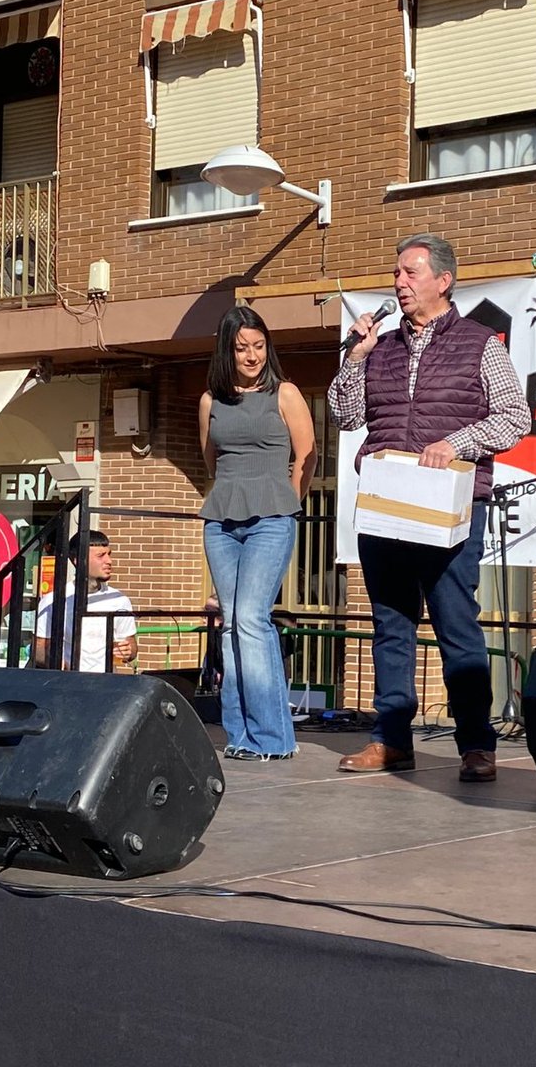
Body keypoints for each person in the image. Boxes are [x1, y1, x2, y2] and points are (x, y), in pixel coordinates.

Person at [327, 233, 531, 782]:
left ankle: (476, 744)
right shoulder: (382, 346)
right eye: (396, 273)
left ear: (443, 281)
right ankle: (391, 740)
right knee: (391, 625)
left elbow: (516, 416)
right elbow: (346, 418)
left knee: (455, 624)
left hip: (450, 505)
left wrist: (457, 443)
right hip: (388, 503)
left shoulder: (481, 342)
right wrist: (356, 358)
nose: (399, 282)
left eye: (411, 272)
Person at [199, 305, 317, 762]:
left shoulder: (284, 393)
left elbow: (307, 456)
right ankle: (241, 736)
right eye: (242, 348)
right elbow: (211, 461)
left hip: (272, 518)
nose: (251, 356)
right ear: (227, 352)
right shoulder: (211, 401)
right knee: (231, 626)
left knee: (250, 619)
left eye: (259, 346)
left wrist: (285, 502)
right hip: (222, 521)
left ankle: (273, 737)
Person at [34, 530, 137, 671]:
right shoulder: (54, 600)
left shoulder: (119, 600)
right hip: (69, 683)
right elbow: (39, 648)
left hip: (107, 684)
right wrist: (55, 662)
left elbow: (130, 645)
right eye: (101, 556)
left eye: (109, 554)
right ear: (78, 560)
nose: (109, 561)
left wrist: (128, 651)